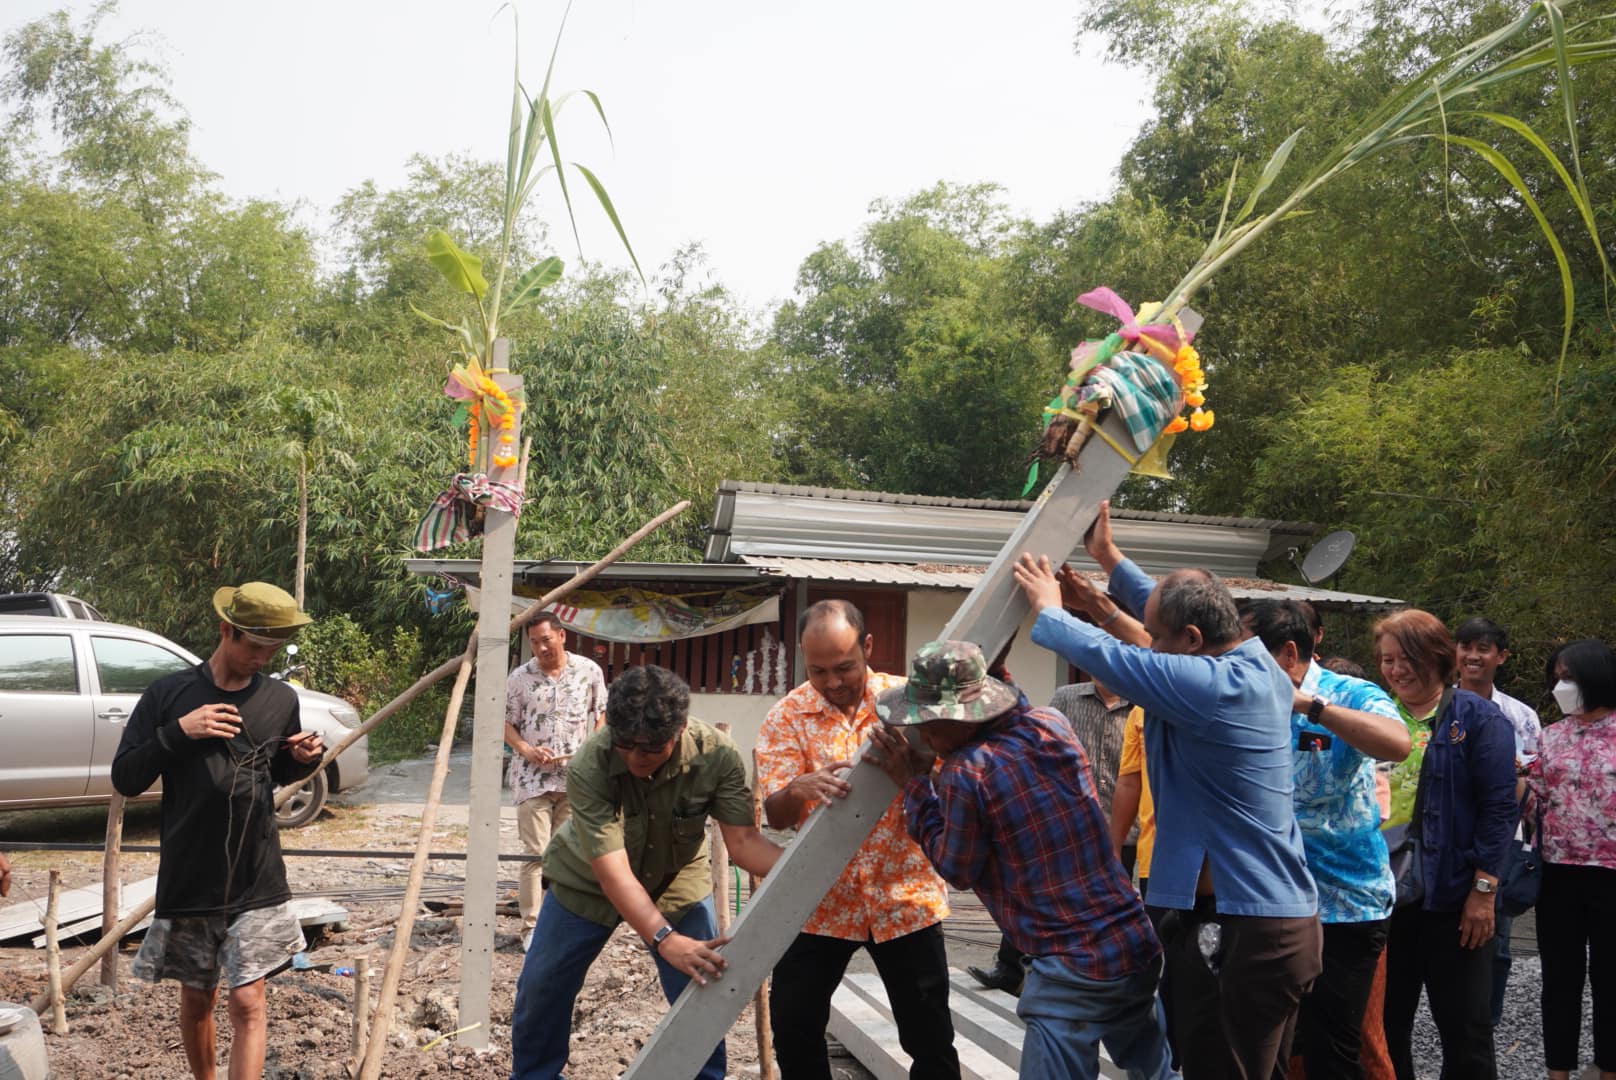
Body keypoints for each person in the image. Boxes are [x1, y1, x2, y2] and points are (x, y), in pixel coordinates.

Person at [1013, 501, 1320, 1080]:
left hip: (1246, 929)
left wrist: (1051, 611)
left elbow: (1112, 655)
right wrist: (1107, 556)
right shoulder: (1251, 660)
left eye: (1158, 637)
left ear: (1193, 640)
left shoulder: (1210, 687)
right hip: (1263, 924)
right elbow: (1165, 612)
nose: (1149, 642)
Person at [867, 640, 1172, 1080]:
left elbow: (957, 867)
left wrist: (914, 785)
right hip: (1132, 944)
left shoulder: (965, 771)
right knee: (1156, 1071)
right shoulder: (1050, 724)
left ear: (965, 718)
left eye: (932, 725)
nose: (926, 737)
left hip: (1071, 968)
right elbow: (1014, 707)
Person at [509, 665, 783, 1080]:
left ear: (680, 729)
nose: (637, 757)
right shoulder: (591, 762)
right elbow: (613, 873)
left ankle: (703, 1076)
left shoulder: (717, 756)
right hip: (587, 880)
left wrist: (808, 872)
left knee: (701, 984)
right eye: (627, 745)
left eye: (651, 748)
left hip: (677, 879)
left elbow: (744, 843)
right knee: (541, 988)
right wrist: (665, 939)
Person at [110, 582, 324, 1080]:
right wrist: (178, 732)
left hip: (257, 876)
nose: (263, 658)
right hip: (191, 876)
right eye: (255, 646)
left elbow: (272, 772)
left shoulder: (278, 697)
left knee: (249, 1000)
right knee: (198, 998)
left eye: (273, 648)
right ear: (226, 630)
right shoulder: (170, 696)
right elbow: (125, 777)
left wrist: (298, 761)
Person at [756, 599, 960, 1080]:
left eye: (844, 666)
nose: (832, 681)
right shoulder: (785, 717)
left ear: (868, 647)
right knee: (795, 1027)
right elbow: (777, 815)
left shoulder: (911, 703)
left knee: (929, 1034)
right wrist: (796, 789)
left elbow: (956, 781)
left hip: (905, 896)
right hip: (821, 902)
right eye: (818, 669)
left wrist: (915, 770)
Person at [1243, 600, 1411, 1080]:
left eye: (1248, 655)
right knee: (1270, 1040)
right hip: (1272, 898)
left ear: (1289, 653)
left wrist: (1311, 707)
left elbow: (1396, 742)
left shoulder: (1349, 692)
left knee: (1333, 1045)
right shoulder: (1244, 698)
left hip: (1347, 903)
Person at [1373, 610, 1516, 1080]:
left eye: (1405, 657)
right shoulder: (1374, 711)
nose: (1395, 669)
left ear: (1435, 656)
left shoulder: (1475, 717)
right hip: (1381, 895)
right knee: (1384, 1026)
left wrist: (1484, 889)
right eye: (1387, 659)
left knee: (1465, 1029)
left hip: (1453, 896)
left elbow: (1499, 808)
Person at [1525, 639, 1616, 1080]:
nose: (1562, 686)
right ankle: (1557, 1070)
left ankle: (1608, 1068)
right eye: (1557, 678)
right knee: (1559, 980)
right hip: (1558, 872)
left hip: (1612, 874)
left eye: (1570, 677)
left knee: (1611, 979)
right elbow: (1535, 798)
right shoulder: (1551, 734)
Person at [1452, 615, 1542, 1028]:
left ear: (1501, 657)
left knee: (1497, 941)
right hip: (1446, 837)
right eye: (1465, 647)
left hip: (1500, 840)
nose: (1472, 656)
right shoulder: (1435, 706)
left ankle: (1484, 1026)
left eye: (1483, 649)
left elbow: (1531, 782)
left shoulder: (1520, 716)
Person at [503, 612, 607, 949]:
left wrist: (591, 746)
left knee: (567, 855)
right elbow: (506, 724)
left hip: (574, 779)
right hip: (532, 779)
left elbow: (602, 713)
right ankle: (531, 928)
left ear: (562, 636)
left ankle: (559, 923)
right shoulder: (520, 678)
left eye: (546, 639)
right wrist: (526, 749)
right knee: (536, 853)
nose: (541, 648)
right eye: (534, 642)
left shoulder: (588, 671)